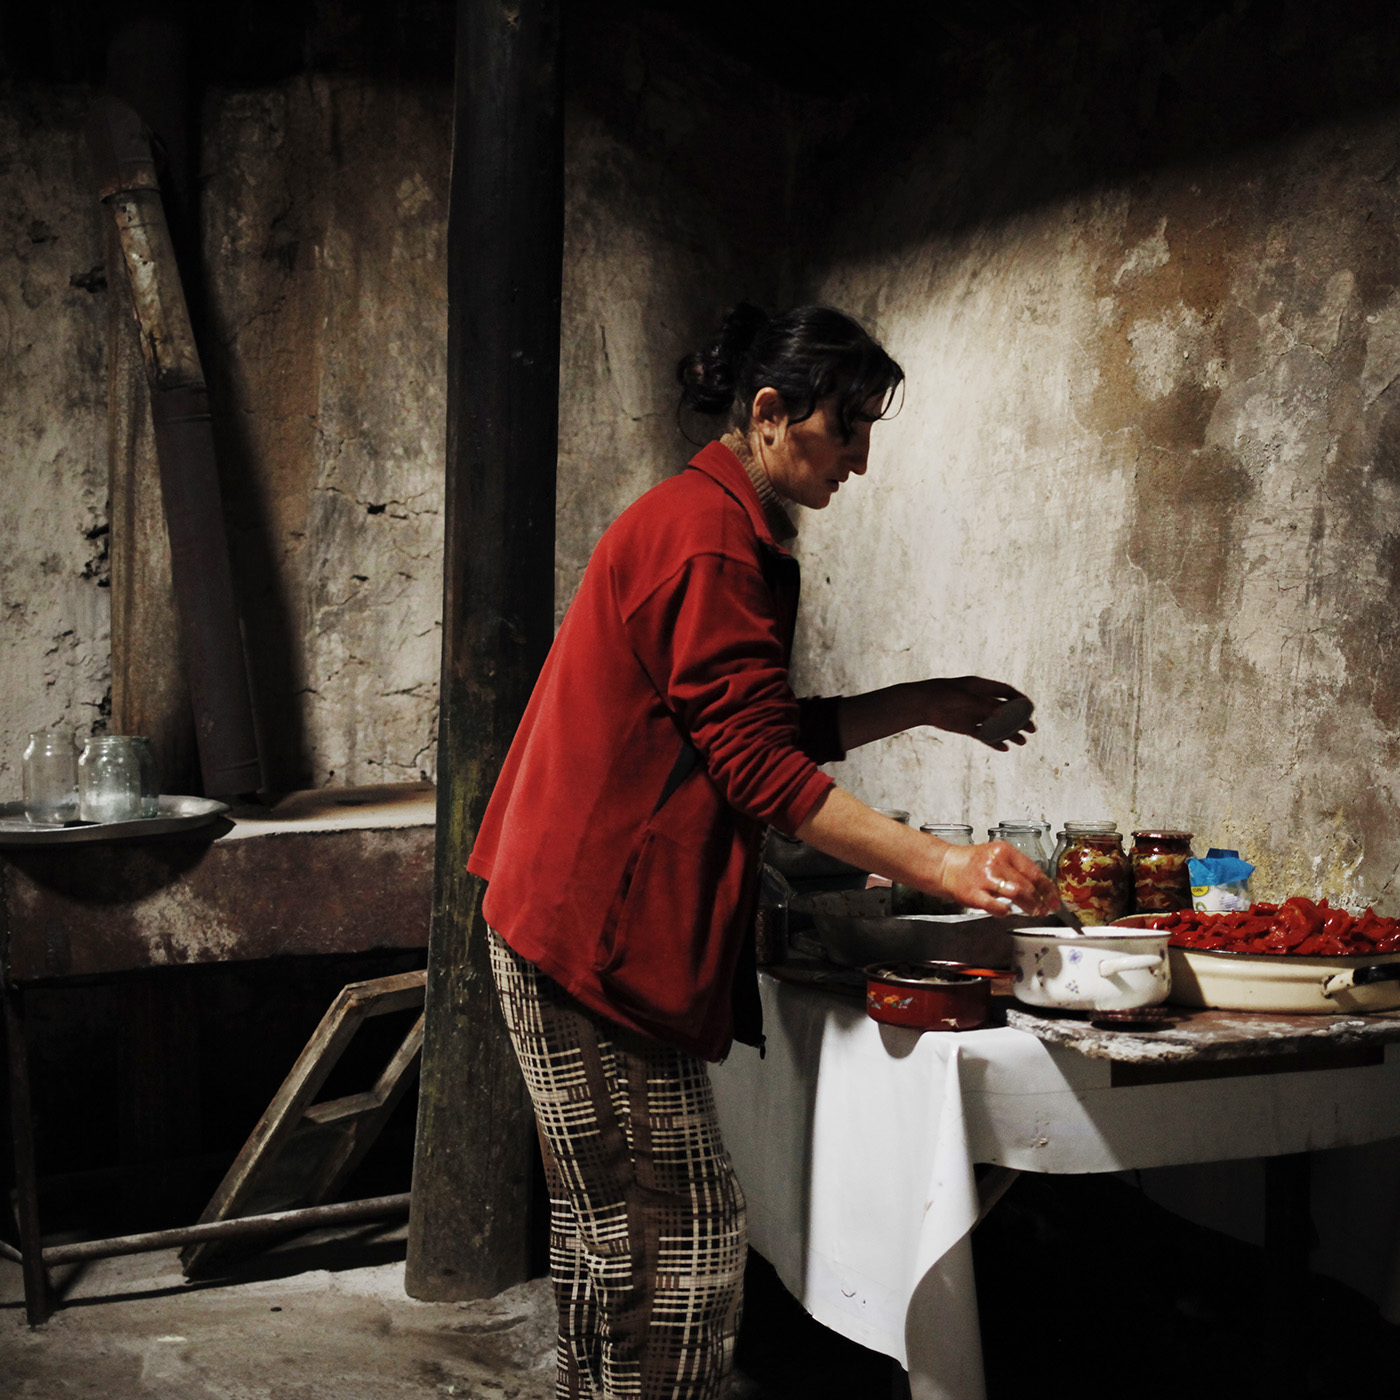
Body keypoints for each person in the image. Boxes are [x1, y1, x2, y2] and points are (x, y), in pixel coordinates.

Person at [467, 303, 1059, 1400]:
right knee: (677, 1238)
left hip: (559, 915)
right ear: (771, 411)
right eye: (847, 432)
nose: (860, 462)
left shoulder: (707, 520)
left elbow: (739, 721)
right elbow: (759, 770)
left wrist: (916, 701)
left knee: (614, 1234)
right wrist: (945, 864)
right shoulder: (707, 539)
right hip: (589, 936)